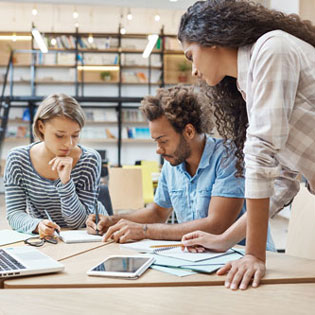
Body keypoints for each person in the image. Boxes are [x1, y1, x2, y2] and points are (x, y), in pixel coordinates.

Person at [177, 0, 315, 290]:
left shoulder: (271, 49)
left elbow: (261, 151)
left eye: (191, 56)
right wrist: (226, 239)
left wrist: (253, 254)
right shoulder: (247, 83)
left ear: (210, 38)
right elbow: (283, 181)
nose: (193, 71)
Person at [86, 86, 275, 251]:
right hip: (202, 258)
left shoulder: (227, 156)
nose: (158, 150)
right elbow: (158, 213)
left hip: (243, 257)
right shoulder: (172, 163)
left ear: (189, 131)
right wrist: (113, 221)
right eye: (156, 141)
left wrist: (144, 231)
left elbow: (217, 225)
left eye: (163, 141)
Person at [4, 93, 108, 237]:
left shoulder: (89, 159)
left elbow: (77, 223)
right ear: (41, 127)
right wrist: (37, 225)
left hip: (86, 236)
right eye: (60, 135)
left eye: (75, 135)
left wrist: (65, 182)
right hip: (48, 237)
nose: (69, 144)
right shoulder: (18, 159)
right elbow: (15, 213)